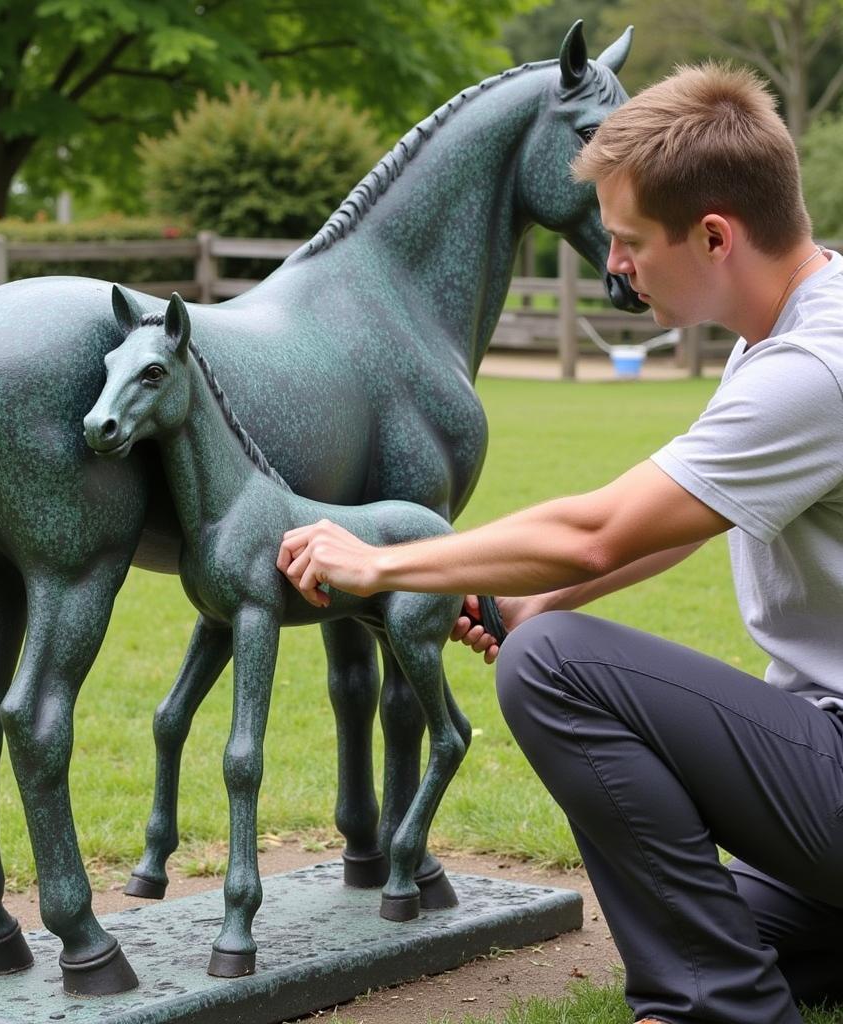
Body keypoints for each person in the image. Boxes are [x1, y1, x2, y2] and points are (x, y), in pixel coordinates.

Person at [276, 62, 843, 1024]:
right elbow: (687, 518)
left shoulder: (813, 368)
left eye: (627, 242)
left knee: (550, 669)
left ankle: (719, 1011)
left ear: (714, 235)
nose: (614, 265)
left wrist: (379, 561)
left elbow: (598, 531)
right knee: (727, 914)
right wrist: (534, 598)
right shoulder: (794, 329)